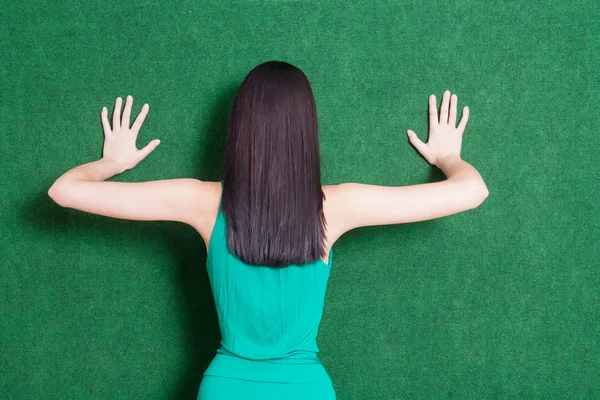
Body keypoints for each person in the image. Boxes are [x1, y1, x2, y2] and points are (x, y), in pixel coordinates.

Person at [47, 61, 489, 400]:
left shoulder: (200, 201)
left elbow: (64, 190)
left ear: (238, 130)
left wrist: (113, 164)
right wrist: (448, 156)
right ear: (307, 133)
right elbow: (472, 191)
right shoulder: (337, 206)